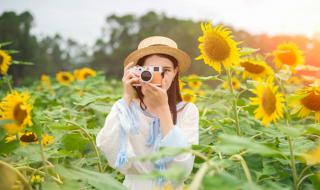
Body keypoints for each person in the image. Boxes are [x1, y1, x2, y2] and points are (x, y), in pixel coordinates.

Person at [96, 36, 199, 190]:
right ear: (139, 71)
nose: (159, 76)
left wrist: (163, 108)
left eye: (166, 71)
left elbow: (182, 168)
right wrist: (127, 96)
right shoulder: (126, 108)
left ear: (176, 71)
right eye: (151, 70)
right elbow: (110, 151)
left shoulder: (186, 111)